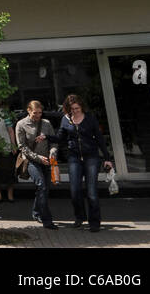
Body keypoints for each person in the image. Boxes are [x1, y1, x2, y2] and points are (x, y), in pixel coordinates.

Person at [57, 95, 114, 232]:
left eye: (77, 108)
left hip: (91, 157)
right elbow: (60, 137)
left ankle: (94, 222)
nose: (75, 111)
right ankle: (80, 217)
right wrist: (46, 136)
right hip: (74, 158)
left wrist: (107, 158)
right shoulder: (65, 120)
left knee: (92, 192)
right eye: (72, 109)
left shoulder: (90, 119)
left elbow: (100, 139)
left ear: (81, 107)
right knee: (75, 190)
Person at [15, 100, 59, 230]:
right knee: (41, 185)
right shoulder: (21, 124)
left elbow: (54, 141)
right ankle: (47, 220)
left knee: (44, 189)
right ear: (28, 110)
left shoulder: (46, 123)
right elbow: (22, 147)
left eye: (40, 113)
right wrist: (38, 158)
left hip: (46, 159)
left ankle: (36, 211)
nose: (38, 115)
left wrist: (53, 152)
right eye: (35, 113)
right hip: (32, 160)